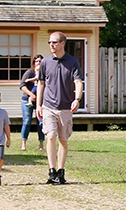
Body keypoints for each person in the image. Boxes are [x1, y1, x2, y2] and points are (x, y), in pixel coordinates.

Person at [35, 31, 84, 184]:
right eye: (50, 42)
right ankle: (51, 171)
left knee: (63, 139)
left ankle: (61, 172)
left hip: (65, 107)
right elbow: (41, 84)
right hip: (49, 106)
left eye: (54, 42)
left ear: (63, 43)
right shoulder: (45, 62)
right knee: (50, 136)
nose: (51, 45)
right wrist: (39, 105)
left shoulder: (72, 62)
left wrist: (77, 99)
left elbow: (78, 82)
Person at [19, 55, 46, 151]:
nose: (39, 63)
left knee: (41, 122)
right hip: (27, 99)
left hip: (41, 101)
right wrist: (31, 95)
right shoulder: (29, 72)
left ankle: (41, 145)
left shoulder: (45, 73)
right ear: (34, 63)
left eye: (40, 61)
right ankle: (23, 144)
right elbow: (22, 85)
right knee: (27, 121)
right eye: (37, 61)